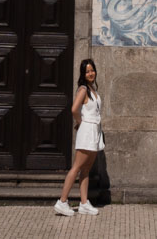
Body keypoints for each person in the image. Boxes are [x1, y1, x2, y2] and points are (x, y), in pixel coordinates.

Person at [53, 58, 104, 217]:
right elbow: (74, 109)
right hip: (87, 130)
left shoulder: (92, 89)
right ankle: (62, 201)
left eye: (92, 70)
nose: (91, 73)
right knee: (76, 167)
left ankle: (83, 203)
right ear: (83, 74)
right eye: (87, 71)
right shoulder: (83, 89)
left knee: (86, 169)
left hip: (95, 130)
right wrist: (81, 122)